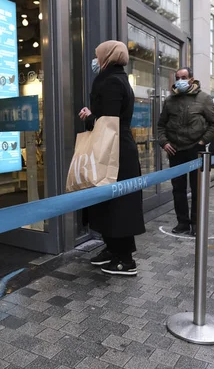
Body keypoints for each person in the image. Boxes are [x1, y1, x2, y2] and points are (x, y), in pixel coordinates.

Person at [78, 40, 145, 276]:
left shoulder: (112, 82)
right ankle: (113, 249)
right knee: (111, 203)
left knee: (117, 204)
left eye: (98, 55)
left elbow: (108, 121)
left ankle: (125, 259)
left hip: (114, 151)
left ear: (107, 56)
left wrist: (89, 117)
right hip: (115, 148)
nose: (95, 60)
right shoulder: (117, 79)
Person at [157, 67, 214, 236]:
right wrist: (164, 143)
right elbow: (160, 126)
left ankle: (196, 223)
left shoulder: (204, 99)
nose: (180, 80)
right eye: (178, 77)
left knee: (197, 189)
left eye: (184, 77)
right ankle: (182, 223)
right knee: (178, 189)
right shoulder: (170, 101)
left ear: (191, 79)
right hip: (175, 151)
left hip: (196, 151)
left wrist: (202, 141)